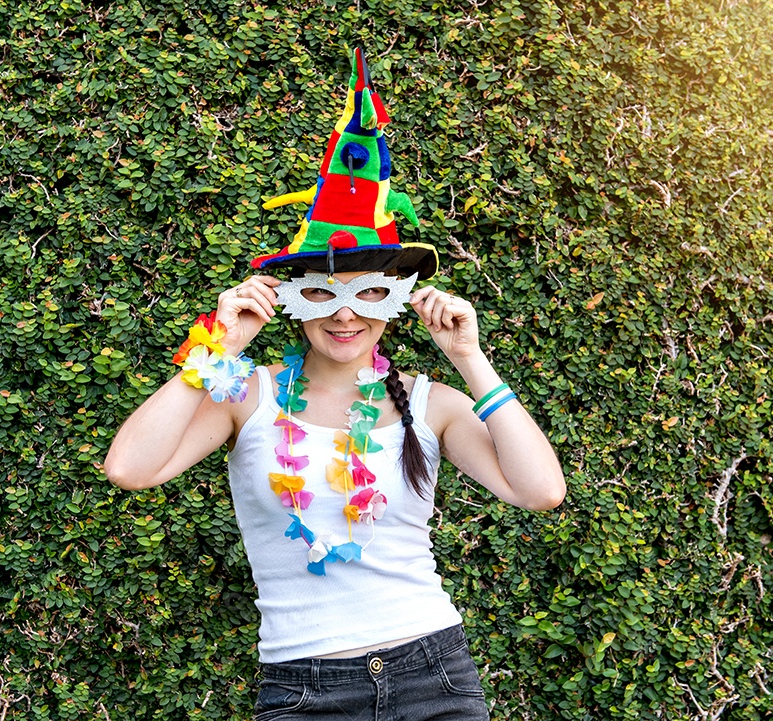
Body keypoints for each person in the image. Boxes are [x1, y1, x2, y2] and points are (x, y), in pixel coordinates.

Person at [103, 49, 565, 721]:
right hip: (303, 687)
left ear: (396, 299)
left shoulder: (432, 403)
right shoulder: (247, 396)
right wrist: (219, 345)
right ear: (289, 297)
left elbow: (541, 489)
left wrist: (470, 357)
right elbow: (129, 467)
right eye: (322, 293)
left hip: (433, 673)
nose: (344, 314)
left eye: (368, 292)